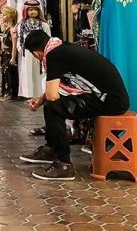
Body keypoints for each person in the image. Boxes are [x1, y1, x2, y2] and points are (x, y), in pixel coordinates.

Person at [19, 29, 130, 180]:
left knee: (53, 108)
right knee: (53, 105)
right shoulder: (60, 48)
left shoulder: (54, 55)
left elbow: (52, 95)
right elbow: (53, 91)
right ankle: (51, 149)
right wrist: (40, 99)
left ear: (36, 53)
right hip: (109, 97)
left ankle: (63, 164)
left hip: (110, 100)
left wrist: (45, 100)